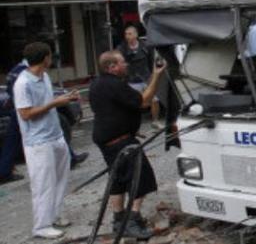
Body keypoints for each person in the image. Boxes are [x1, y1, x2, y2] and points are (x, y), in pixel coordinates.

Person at [89, 50, 165, 240]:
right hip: (120, 142)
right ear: (112, 67)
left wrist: (130, 128)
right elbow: (144, 101)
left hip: (109, 139)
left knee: (118, 179)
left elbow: (111, 110)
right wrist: (156, 76)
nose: (126, 64)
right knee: (141, 177)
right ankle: (132, 220)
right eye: (122, 62)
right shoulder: (114, 84)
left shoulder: (97, 83)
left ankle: (118, 220)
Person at [12, 42, 79, 239]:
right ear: (45, 59)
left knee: (60, 178)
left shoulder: (45, 76)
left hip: (55, 135)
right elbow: (25, 114)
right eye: (50, 56)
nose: (51, 59)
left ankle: (55, 214)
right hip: (38, 142)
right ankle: (41, 226)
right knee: (43, 184)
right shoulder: (23, 83)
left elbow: (48, 101)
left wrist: (65, 97)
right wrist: (54, 103)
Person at [117, 24, 160, 129]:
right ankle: (133, 126)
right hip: (132, 79)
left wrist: (152, 74)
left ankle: (155, 121)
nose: (127, 36)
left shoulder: (145, 45)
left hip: (146, 77)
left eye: (130, 34)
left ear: (136, 34)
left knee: (155, 100)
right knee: (134, 104)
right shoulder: (122, 48)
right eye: (126, 34)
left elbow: (151, 60)